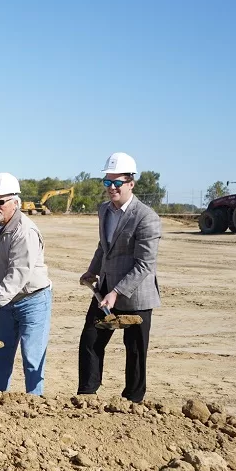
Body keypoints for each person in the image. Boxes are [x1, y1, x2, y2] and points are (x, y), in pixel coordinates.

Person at [78, 152, 161, 403]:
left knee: (135, 351)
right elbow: (104, 246)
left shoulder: (146, 217)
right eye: (107, 182)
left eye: (117, 183)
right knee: (90, 342)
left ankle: (133, 402)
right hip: (104, 291)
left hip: (136, 296)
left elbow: (145, 263)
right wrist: (92, 271)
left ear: (131, 183)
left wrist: (117, 292)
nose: (111, 188)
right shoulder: (104, 210)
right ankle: (87, 395)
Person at [0, 172, 52, 395]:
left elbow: (18, 273)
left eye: (1, 201)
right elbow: (0, 260)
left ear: (15, 203)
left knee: (32, 358)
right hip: (6, 301)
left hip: (33, 300)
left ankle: (36, 405)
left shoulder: (25, 231)